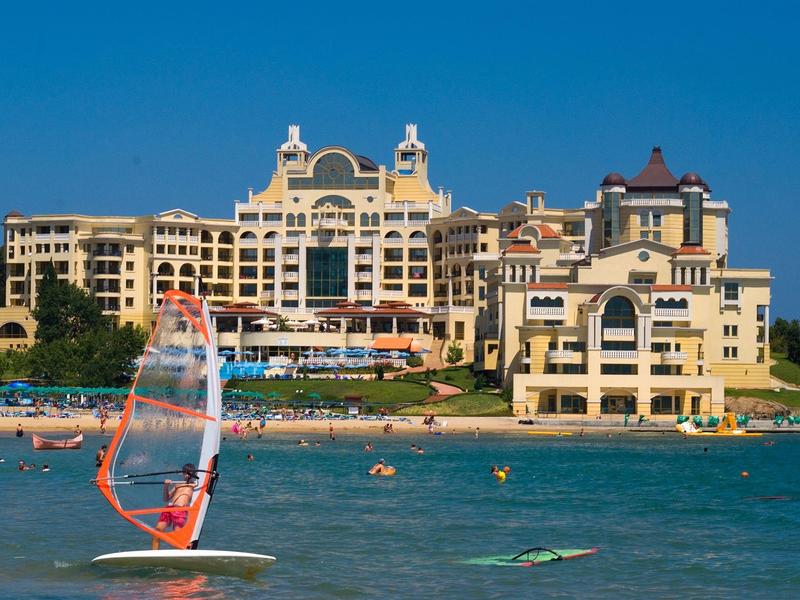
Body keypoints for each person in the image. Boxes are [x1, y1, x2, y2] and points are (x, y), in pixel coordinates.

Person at [152, 463, 198, 550]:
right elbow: (166, 498)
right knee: (157, 531)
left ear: (193, 474)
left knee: (177, 536)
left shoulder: (195, 485)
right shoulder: (178, 484)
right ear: (183, 473)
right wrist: (166, 486)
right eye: (185, 473)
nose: (187, 475)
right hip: (169, 508)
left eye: (189, 473)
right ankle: (155, 554)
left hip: (181, 511)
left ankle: (179, 555)